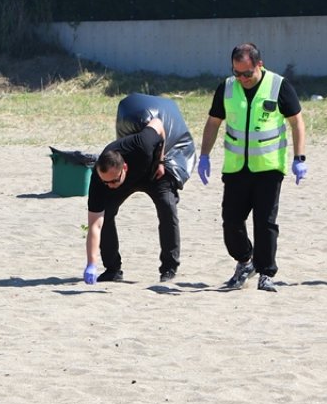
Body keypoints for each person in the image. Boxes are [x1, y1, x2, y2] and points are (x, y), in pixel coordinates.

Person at [197, 42, 307, 292]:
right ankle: (246, 260)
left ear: (260, 64)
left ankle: (266, 273)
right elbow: (213, 122)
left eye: (247, 73)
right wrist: (204, 155)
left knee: (265, 222)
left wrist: (299, 158)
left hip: (268, 168)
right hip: (236, 168)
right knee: (230, 222)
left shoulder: (278, 85)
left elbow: (297, 122)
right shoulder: (226, 88)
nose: (242, 79)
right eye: (237, 73)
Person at [83, 117, 177, 284]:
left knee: (167, 207)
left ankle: (169, 268)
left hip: (152, 173)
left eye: (112, 181)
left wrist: (161, 161)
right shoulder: (100, 181)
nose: (109, 185)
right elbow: (94, 225)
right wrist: (91, 263)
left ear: (124, 168)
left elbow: (158, 124)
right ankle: (112, 270)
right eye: (105, 182)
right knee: (106, 215)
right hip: (125, 183)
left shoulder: (143, 144)